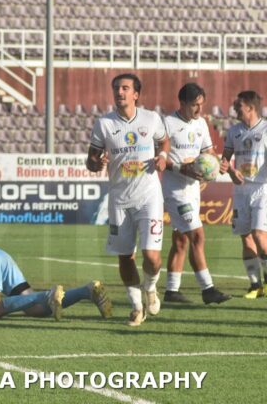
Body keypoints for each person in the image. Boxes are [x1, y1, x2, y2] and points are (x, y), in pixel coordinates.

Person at [86, 73, 170, 327]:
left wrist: (163, 155)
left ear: (136, 94)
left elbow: (164, 140)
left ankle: (151, 288)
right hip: (120, 198)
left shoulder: (151, 118)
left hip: (149, 196)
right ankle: (136, 307)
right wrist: (96, 162)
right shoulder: (104, 124)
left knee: (152, 256)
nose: (119, 92)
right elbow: (91, 160)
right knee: (125, 256)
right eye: (116, 88)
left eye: (125, 88)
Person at [161, 84, 231, 305]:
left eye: (202, 104)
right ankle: (207, 289)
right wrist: (180, 168)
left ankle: (171, 291)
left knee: (181, 240)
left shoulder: (201, 123)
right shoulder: (167, 123)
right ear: (182, 103)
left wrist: (217, 164)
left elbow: (208, 152)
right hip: (175, 191)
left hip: (193, 189)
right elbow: (159, 157)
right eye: (195, 105)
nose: (199, 109)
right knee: (197, 236)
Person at [221, 90, 267, 298]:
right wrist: (230, 169)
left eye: (238, 106)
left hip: (262, 188)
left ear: (250, 107)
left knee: (259, 236)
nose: (234, 108)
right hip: (240, 190)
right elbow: (225, 160)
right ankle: (255, 285)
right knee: (245, 237)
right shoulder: (233, 131)